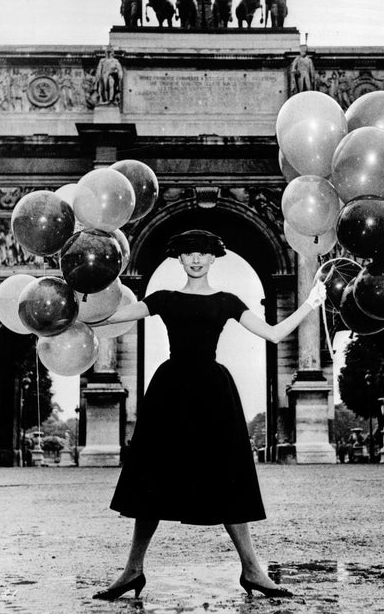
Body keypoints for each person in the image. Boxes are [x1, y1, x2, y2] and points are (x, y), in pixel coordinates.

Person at [92, 229, 326, 600]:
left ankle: (253, 569)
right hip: (171, 393)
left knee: (227, 477)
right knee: (152, 479)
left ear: (215, 257)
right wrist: (73, 306)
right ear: (179, 259)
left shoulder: (227, 301)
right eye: (188, 253)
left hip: (211, 394)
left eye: (203, 252)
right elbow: (107, 319)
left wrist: (311, 302)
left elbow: (275, 333)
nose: (196, 259)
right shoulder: (162, 299)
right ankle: (132, 571)